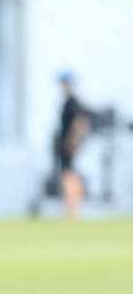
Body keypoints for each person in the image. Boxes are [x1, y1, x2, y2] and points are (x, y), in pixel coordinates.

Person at [56, 71, 91, 219]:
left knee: (68, 174)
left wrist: (74, 141)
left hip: (69, 144)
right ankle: (71, 207)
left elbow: (81, 122)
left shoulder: (73, 103)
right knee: (68, 173)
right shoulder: (68, 102)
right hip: (66, 143)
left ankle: (72, 208)